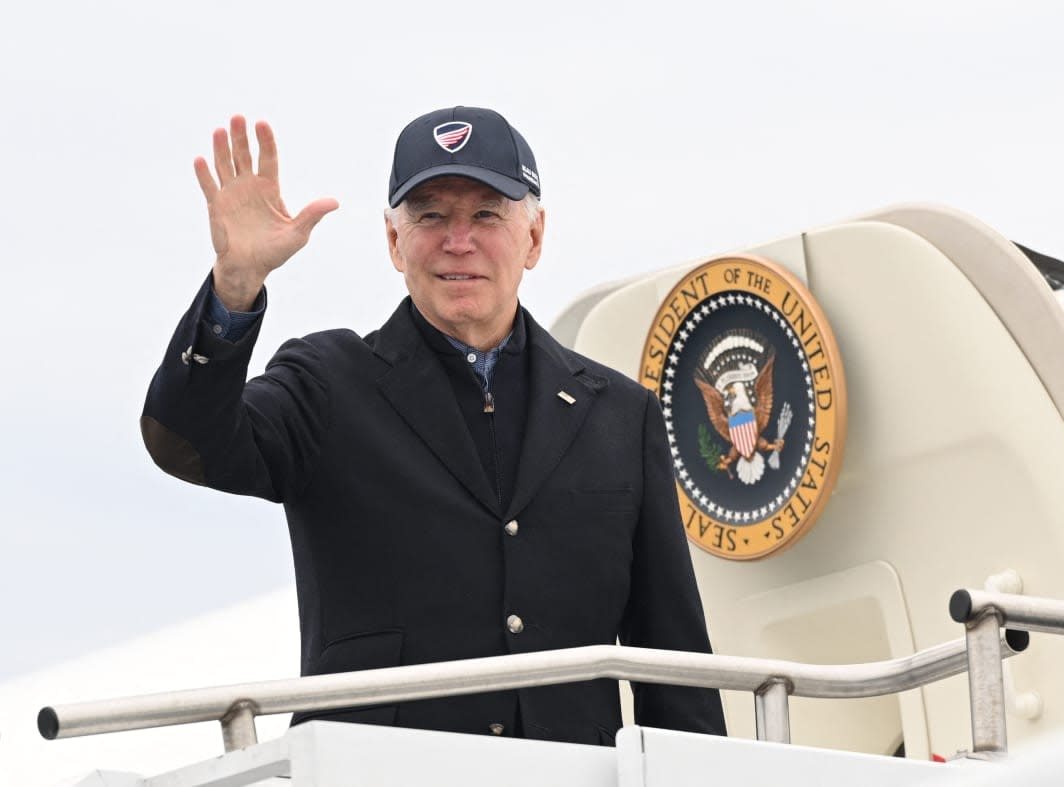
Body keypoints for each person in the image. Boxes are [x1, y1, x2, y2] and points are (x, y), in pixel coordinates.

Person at [141, 106, 726, 745]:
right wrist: (234, 286)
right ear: (394, 242)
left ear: (533, 238)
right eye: (430, 215)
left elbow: (676, 668)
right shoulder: (326, 383)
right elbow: (189, 445)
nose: (458, 240)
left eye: (485, 214)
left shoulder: (620, 415)